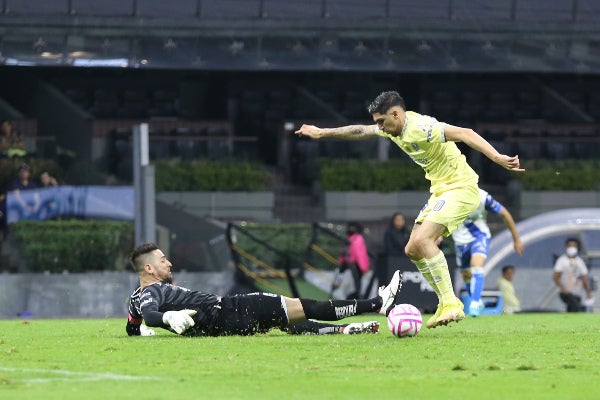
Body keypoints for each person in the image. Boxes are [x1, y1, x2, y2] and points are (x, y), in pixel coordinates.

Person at [295, 90, 525, 329]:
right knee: (412, 249)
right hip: (440, 191)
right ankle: (447, 301)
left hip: (461, 188)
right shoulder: (394, 130)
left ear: (395, 114)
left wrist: (497, 157)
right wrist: (322, 132)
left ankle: (451, 303)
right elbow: (361, 130)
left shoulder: (422, 127)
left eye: (381, 122)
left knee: (425, 239)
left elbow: (465, 133)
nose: (380, 128)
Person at [126, 242, 403, 337]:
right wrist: (165, 320)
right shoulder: (153, 293)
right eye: (163, 260)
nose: (169, 262)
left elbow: (134, 324)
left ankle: (344, 329)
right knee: (307, 306)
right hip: (232, 310)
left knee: (287, 323)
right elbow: (151, 315)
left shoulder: (136, 298)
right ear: (148, 269)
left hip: (227, 325)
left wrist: (142, 330)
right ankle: (378, 304)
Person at [452, 188, 524, 316]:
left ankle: (474, 303)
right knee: (466, 274)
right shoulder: (449, 196)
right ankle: (477, 301)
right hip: (460, 242)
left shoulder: (482, 196)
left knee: (476, 264)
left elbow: (504, 214)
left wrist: (516, 239)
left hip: (480, 236)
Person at [553, 238, 594, 312]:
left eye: (574, 246)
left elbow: (584, 278)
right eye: (570, 246)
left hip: (577, 293)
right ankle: (583, 310)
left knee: (572, 309)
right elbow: (556, 277)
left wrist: (588, 293)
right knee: (576, 306)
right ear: (566, 247)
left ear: (577, 248)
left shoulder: (580, 262)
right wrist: (563, 289)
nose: (572, 248)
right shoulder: (562, 260)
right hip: (566, 293)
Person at [337, 221, 370, 299]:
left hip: (356, 264)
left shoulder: (358, 238)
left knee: (357, 283)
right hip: (350, 263)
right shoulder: (351, 238)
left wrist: (363, 267)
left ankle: (357, 298)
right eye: (350, 227)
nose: (350, 229)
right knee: (353, 282)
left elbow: (358, 252)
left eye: (353, 228)